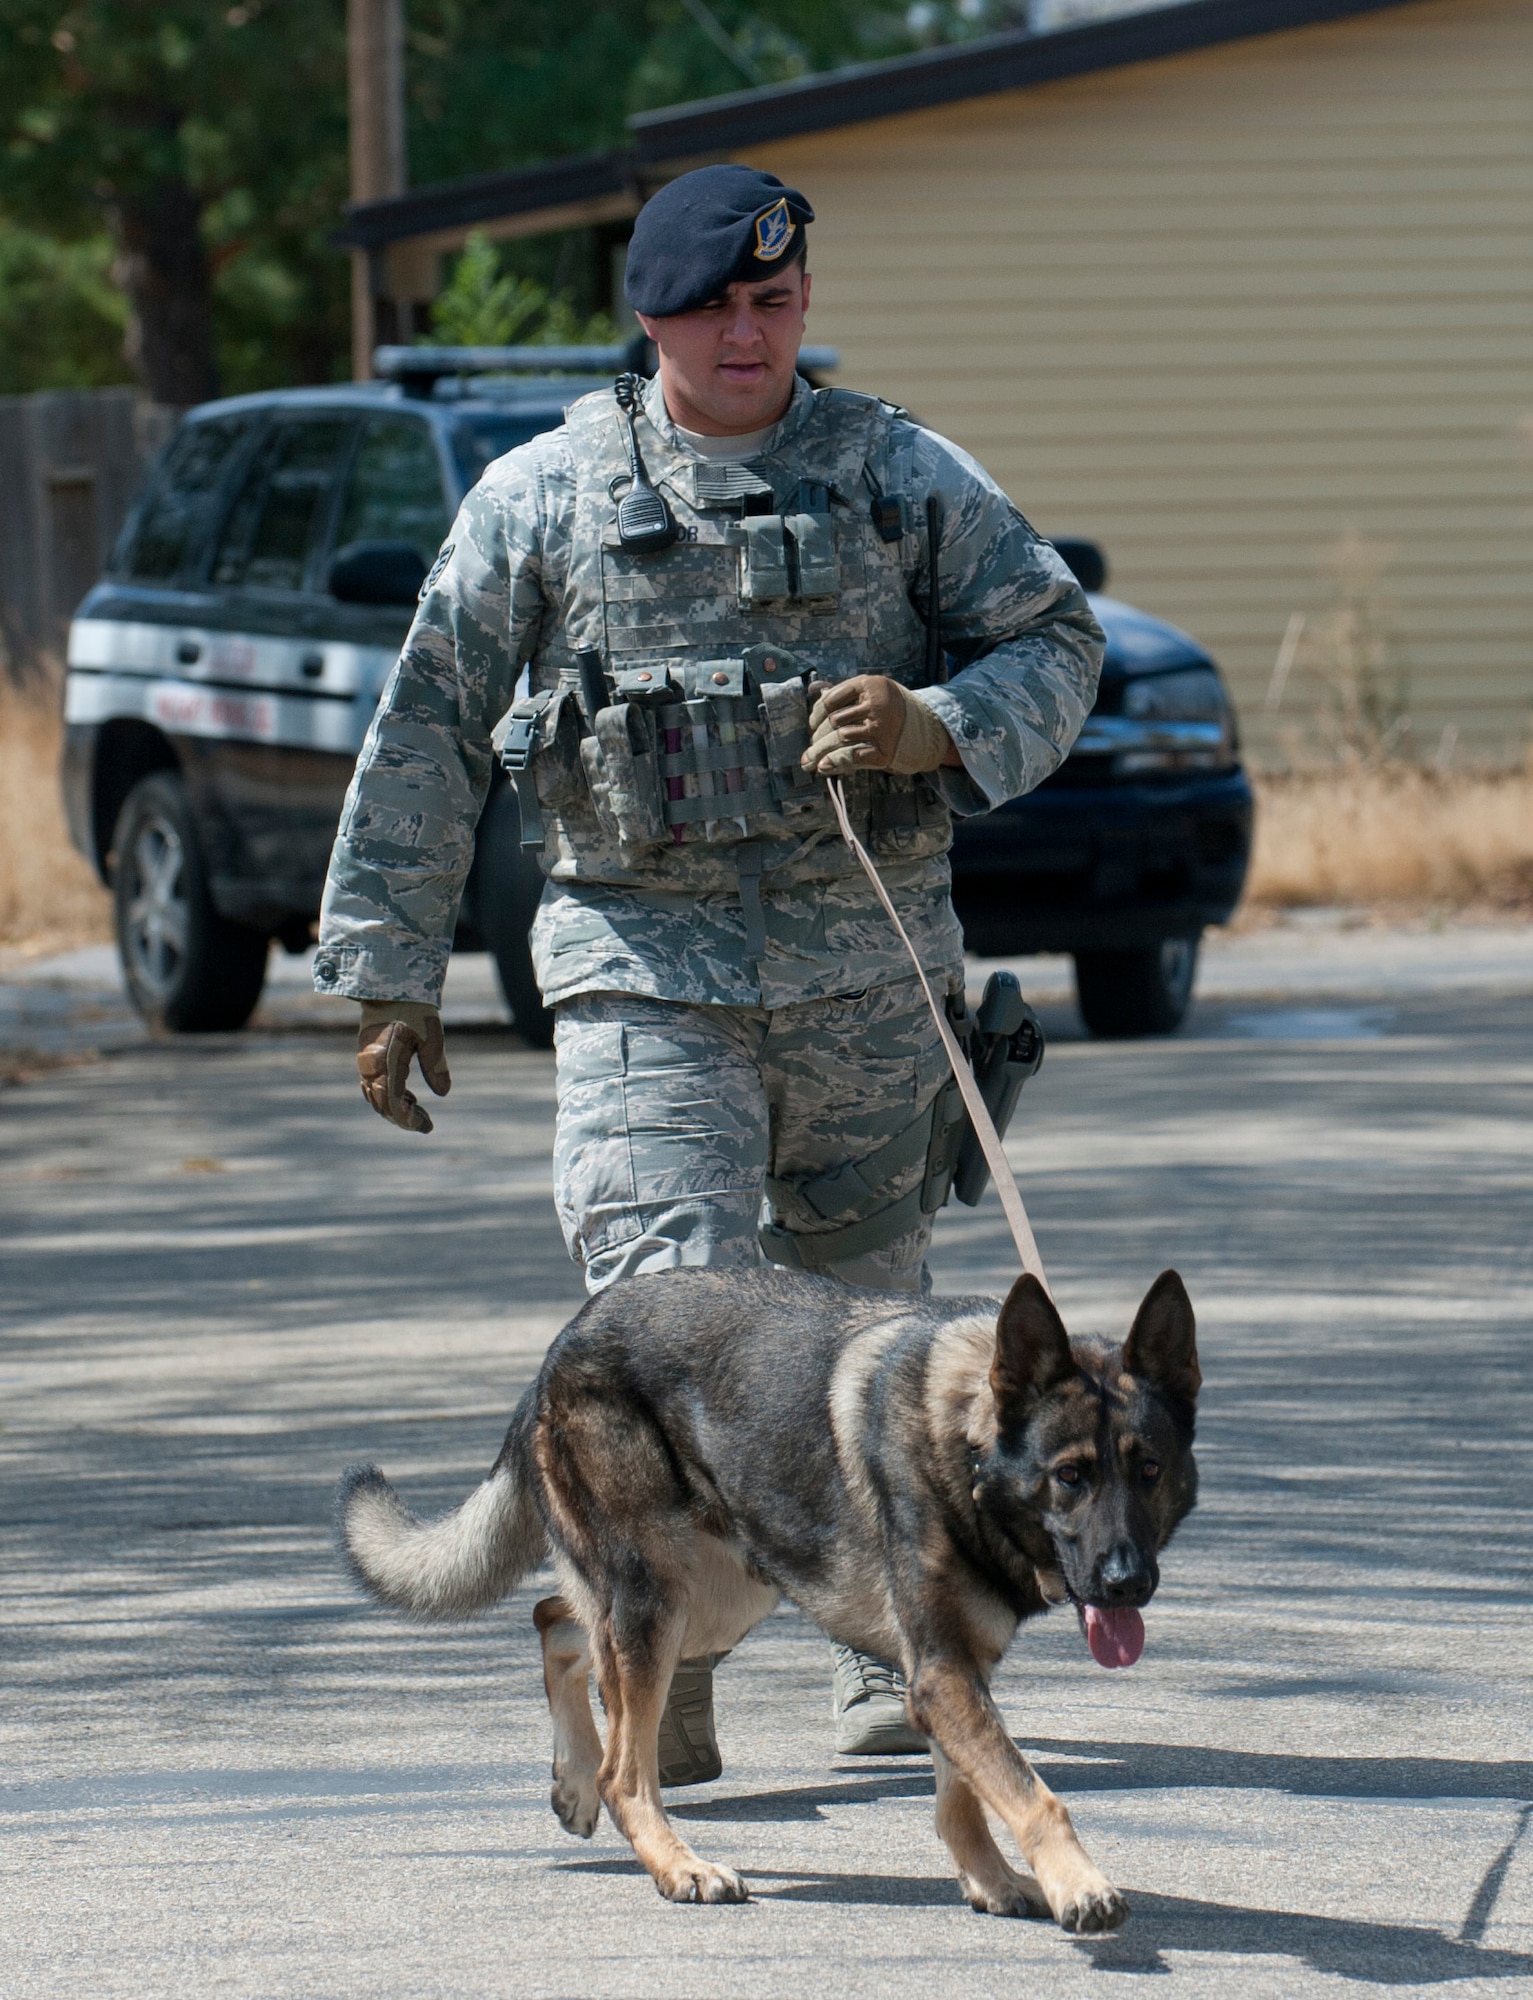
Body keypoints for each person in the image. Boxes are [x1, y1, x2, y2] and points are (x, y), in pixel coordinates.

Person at [314, 164, 1104, 1778]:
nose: (746, 334)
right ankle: (656, 1666)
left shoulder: (898, 475)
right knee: (669, 1314)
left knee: (873, 1334)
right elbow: (431, 720)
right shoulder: (545, 495)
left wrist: (934, 721)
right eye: (710, 308)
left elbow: (1055, 637)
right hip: (639, 969)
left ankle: (896, 1654)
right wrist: (389, 968)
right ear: (648, 315)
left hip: (867, 983)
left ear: (801, 301)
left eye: (773, 299)